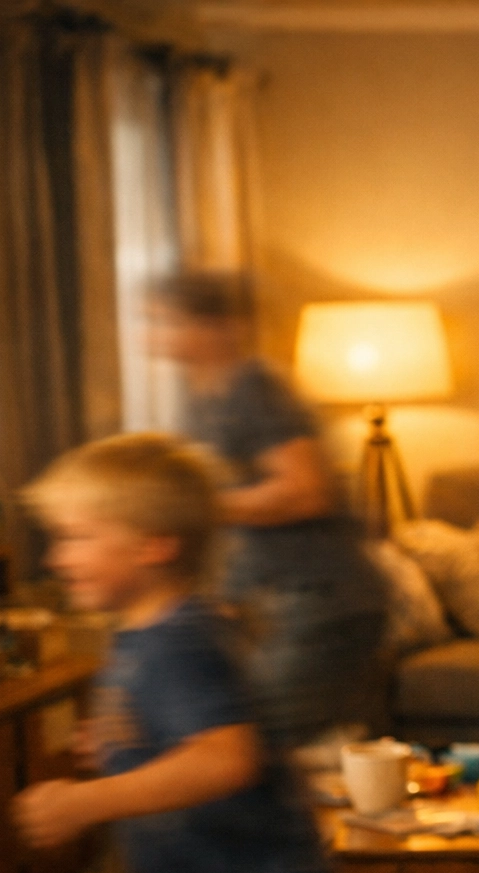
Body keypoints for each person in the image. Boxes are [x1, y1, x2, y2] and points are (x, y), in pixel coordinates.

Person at [13, 433, 346, 873]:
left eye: (78, 537)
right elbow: (181, 734)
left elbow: (225, 758)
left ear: (154, 546)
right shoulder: (141, 630)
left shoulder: (181, 641)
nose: (56, 558)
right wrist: (123, 742)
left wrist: (85, 801)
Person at [149, 272, 387, 751]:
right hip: (274, 600)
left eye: (165, 320)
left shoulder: (253, 388)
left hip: (319, 600)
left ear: (214, 326)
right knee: (282, 748)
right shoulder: (201, 400)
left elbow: (305, 491)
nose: (151, 334)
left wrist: (200, 506)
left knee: (259, 746)